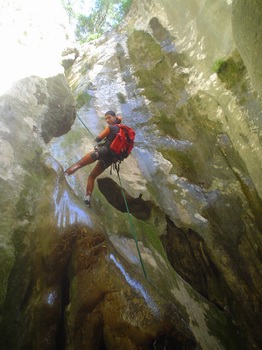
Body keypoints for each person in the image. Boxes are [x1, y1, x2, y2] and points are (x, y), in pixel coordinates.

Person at [64, 110, 122, 207]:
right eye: (106, 118)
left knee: (79, 164)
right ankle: (87, 199)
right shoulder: (121, 130)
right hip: (110, 159)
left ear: (114, 117)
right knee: (92, 177)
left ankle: (63, 176)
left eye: (109, 117)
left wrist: (96, 140)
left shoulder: (111, 128)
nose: (107, 120)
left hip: (102, 151)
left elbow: (99, 138)